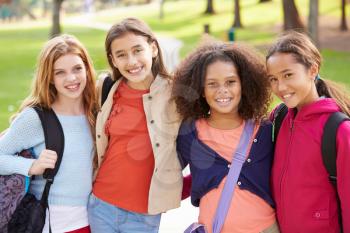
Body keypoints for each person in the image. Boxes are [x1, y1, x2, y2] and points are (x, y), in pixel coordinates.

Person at [172, 42, 279, 233]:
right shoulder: (190, 133)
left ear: (244, 85)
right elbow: (167, 177)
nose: (222, 90)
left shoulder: (264, 131)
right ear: (201, 90)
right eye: (212, 84)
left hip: (265, 229)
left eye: (231, 82)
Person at [89, 17, 183, 233]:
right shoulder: (106, 89)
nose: (131, 61)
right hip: (101, 204)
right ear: (113, 60)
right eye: (121, 55)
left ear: (153, 48)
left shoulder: (176, 94)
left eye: (137, 50)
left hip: (144, 215)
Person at [0, 34, 97, 233]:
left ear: (87, 68)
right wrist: (31, 166)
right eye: (60, 72)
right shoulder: (37, 118)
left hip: (94, 217)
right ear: (50, 78)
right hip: (54, 222)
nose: (71, 78)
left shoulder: (95, 112)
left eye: (77, 68)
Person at [266, 31, 350, 233]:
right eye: (273, 79)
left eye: (288, 75)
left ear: (312, 70)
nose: (281, 87)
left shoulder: (339, 130)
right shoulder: (278, 117)